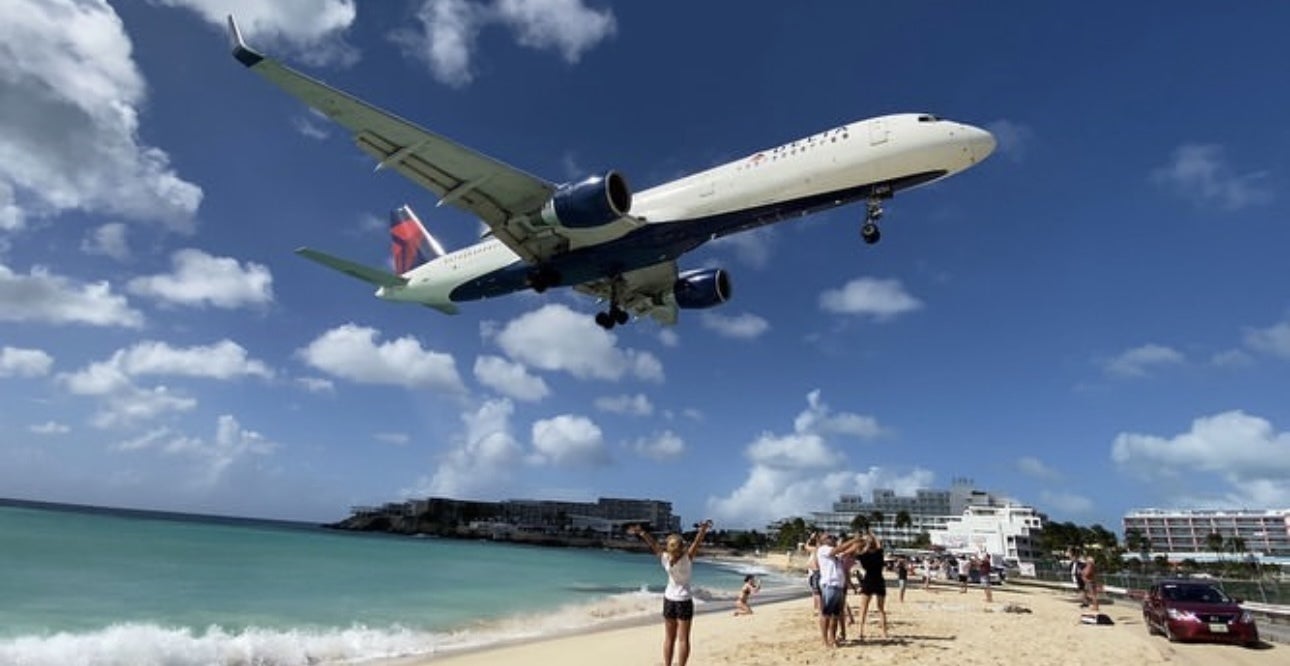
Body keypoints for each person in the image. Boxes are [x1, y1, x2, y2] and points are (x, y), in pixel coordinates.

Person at [628, 519, 713, 666]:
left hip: (669, 599)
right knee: (683, 639)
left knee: (669, 638)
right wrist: (703, 530)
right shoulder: (687, 558)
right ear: (682, 547)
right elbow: (697, 542)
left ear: (668, 547)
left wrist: (641, 532)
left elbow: (653, 544)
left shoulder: (665, 559)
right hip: (684, 600)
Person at [815, 533, 865, 647]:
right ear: (822, 541)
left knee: (835, 615)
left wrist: (860, 542)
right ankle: (825, 640)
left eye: (833, 537)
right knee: (827, 614)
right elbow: (840, 549)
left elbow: (847, 551)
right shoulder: (823, 549)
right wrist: (854, 540)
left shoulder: (835, 553)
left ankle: (832, 638)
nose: (832, 538)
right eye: (829, 537)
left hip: (838, 585)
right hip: (830, 585)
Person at [855, 533, 889, 641]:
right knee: (881, 609)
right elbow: (879, 545)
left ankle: (860, 631)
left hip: (868, 580)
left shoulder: (863, 555)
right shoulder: (879, 553)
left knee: (863, 608)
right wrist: (873, 535)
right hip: (879, 580)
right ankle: (884, 632)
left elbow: (859, 551)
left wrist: (865, 542)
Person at [805, 532, 822, 615]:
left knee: (816, 592)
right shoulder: (816, 549)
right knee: (815, 591)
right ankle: (816, 607)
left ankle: (819, 608)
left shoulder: (816, 549)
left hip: (815, 572)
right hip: (813, 572)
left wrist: (811, 538)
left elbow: (806, 546)